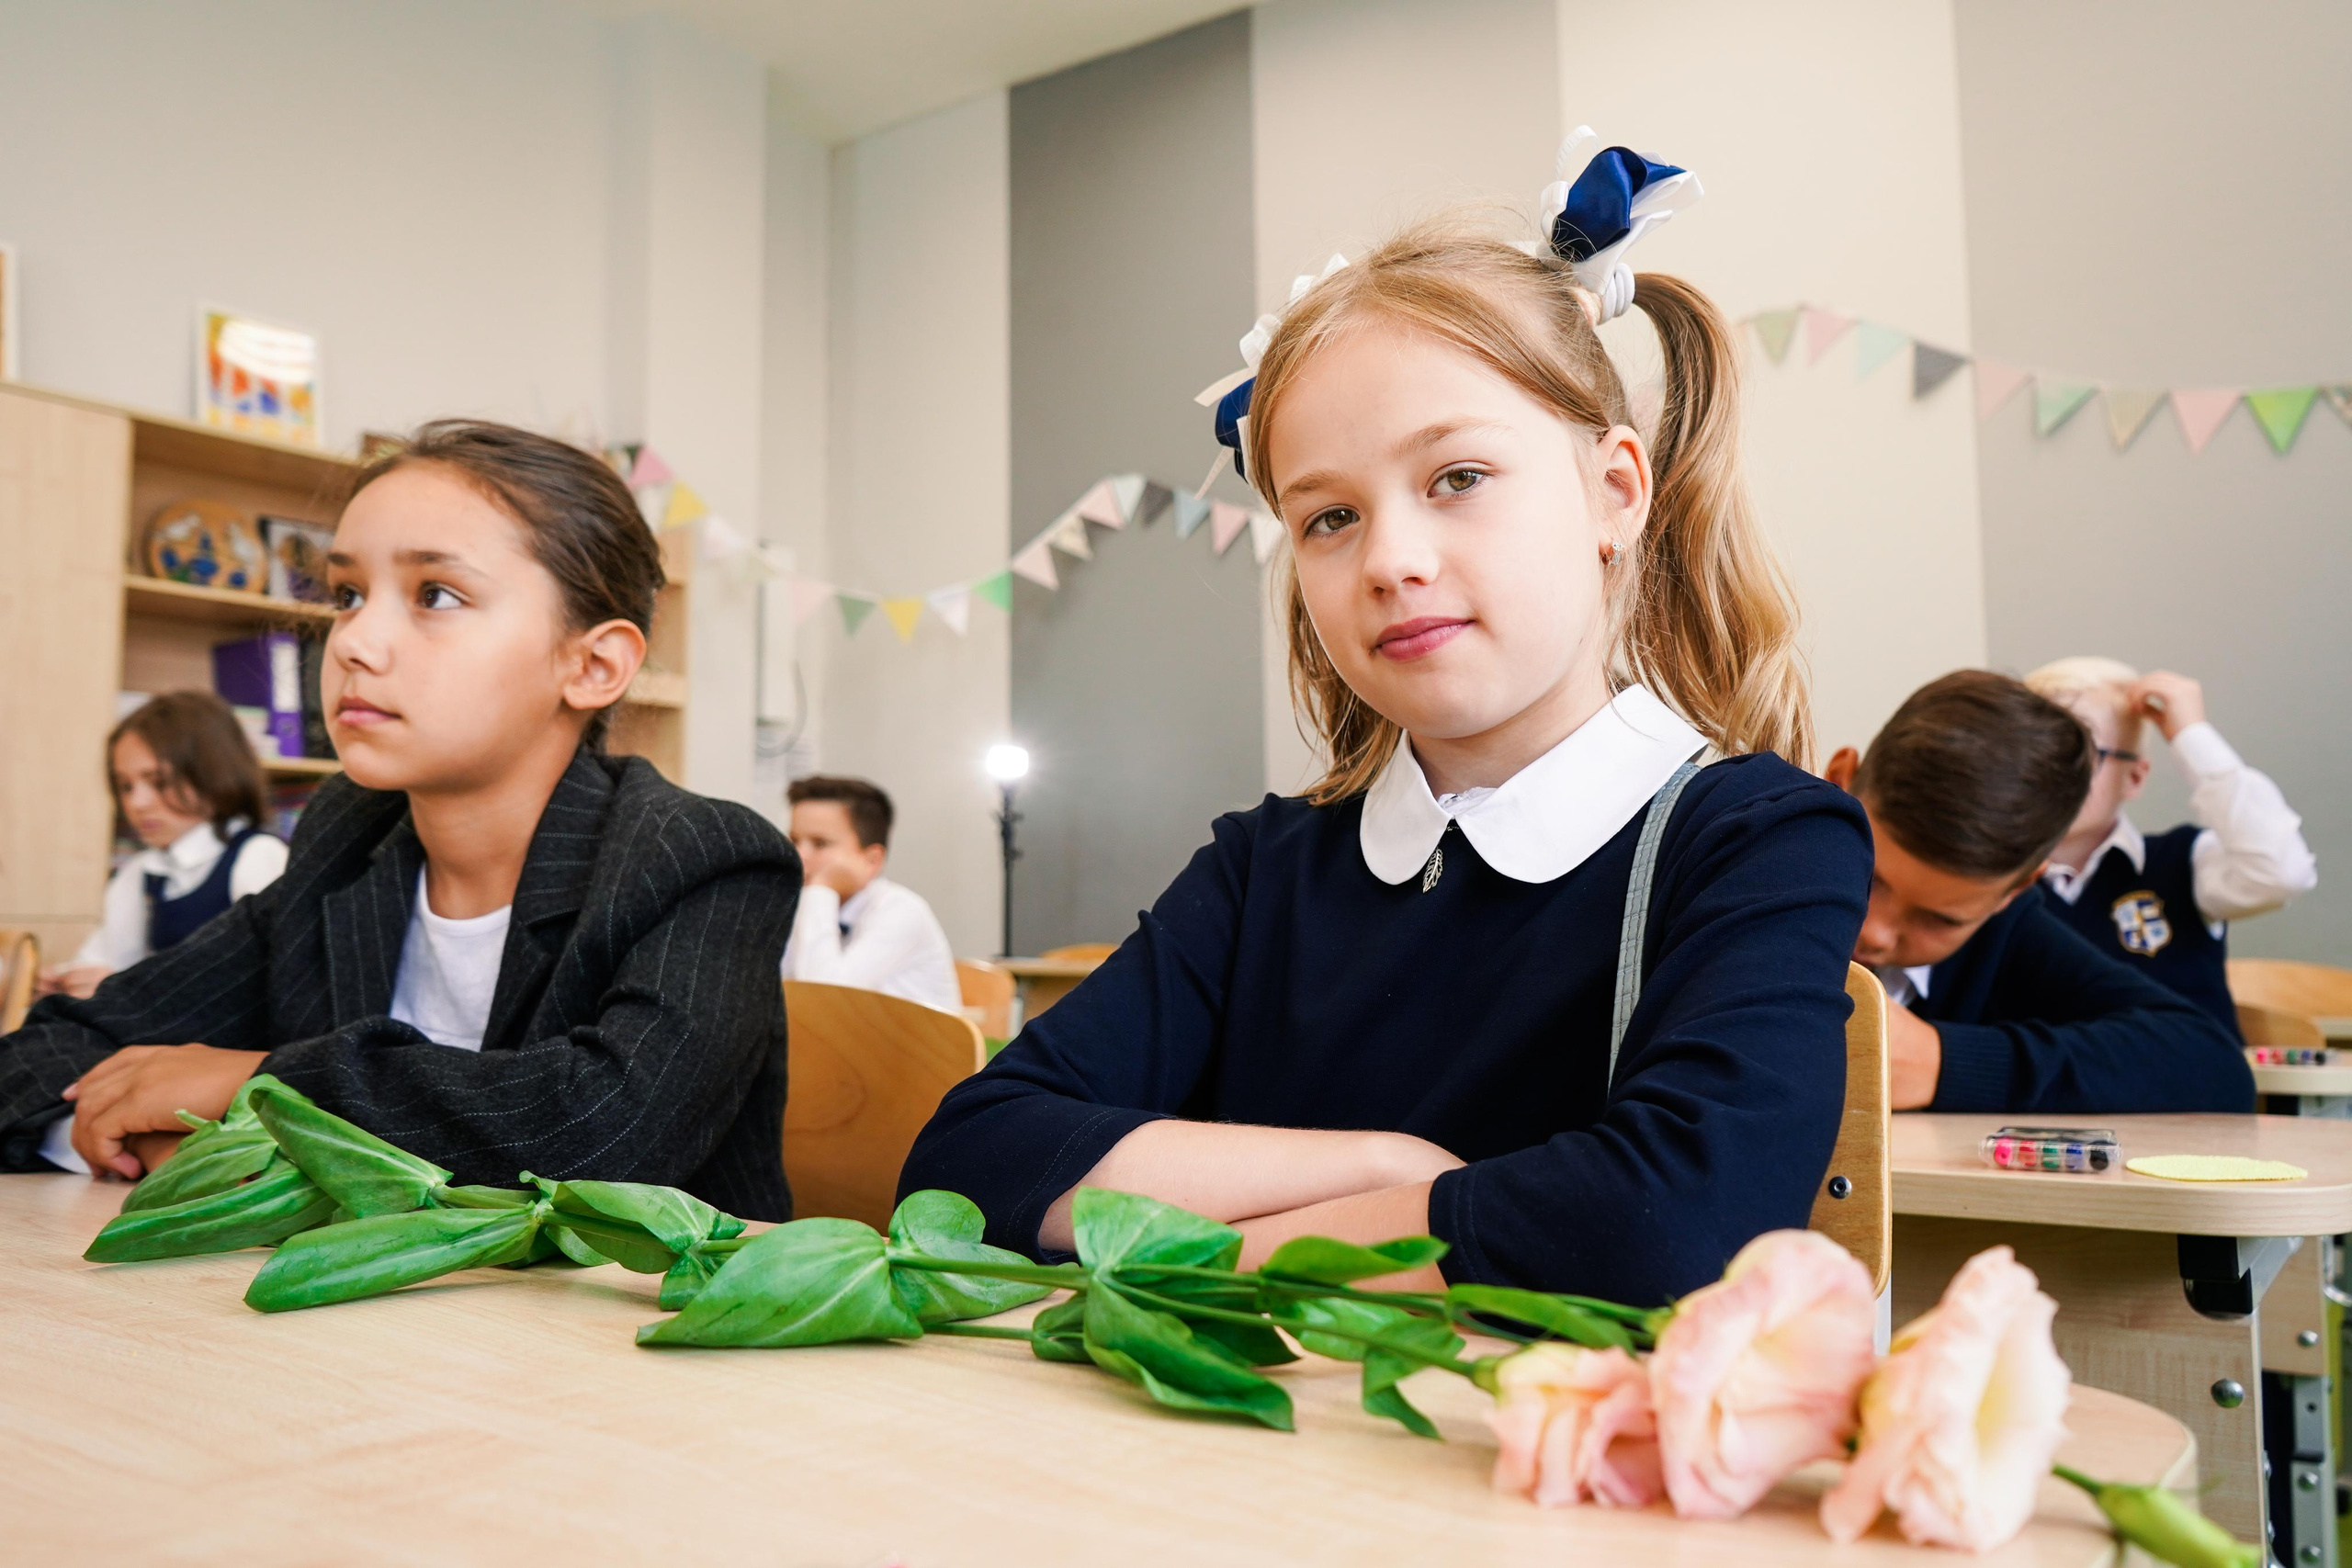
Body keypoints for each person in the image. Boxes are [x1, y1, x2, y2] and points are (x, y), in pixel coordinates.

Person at [901, 135, 1873, 1307]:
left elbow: (1661, 1224)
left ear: (1614, 491)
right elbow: (969, 1167)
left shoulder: (1759, 837)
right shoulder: (1265, 866)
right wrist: (1383, 1168)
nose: (1391, 562)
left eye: (1456, 478)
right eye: (1327, 519)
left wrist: (1215, 1246)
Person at [0, 421, 798, 1219]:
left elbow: (597, 1133)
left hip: (617, 1333)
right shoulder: (348, 839)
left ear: (591, 665)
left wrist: (258, 1086)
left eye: (436, 595)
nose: (354, 641)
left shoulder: (705, 859)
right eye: (346, 594)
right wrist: (145, 1138)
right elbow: (52, 1050)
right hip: (366, 1334)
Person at [1823, 671, 2252, 1115]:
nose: (1874, 933)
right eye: (1868, 878)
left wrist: (1943, 1063)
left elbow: (2213, 1066)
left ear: (2015, 889)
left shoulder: (2008, 933)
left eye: (1941, 919)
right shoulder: (1754, 875)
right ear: (1838, 785)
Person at [2024, 658, 2315, 1036]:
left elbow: (2282, 872)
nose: (2053, 772)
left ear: (2133, 777)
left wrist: (2192, 735)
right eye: (2033, 753)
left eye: (2084, 755)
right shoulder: (1987, 883)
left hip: (2181, 1089)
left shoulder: (2182, 862)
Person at [38, 692, 289, 1000]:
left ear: (214, 772)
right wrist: (65, 980)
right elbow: (105, 958)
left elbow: (266, 983)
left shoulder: (258, 856)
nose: (136, 803)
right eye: (125, 786)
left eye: (158, 782)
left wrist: (123, 988)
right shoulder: (142, 870)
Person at [781, 774, 959, 1012]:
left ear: (872, 860)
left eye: (820, 843)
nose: (798, 855)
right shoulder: (800, 905)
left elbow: (822, 1002)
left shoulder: (901, 910)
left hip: (910, 1047)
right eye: (794, 840)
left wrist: (821, 890)